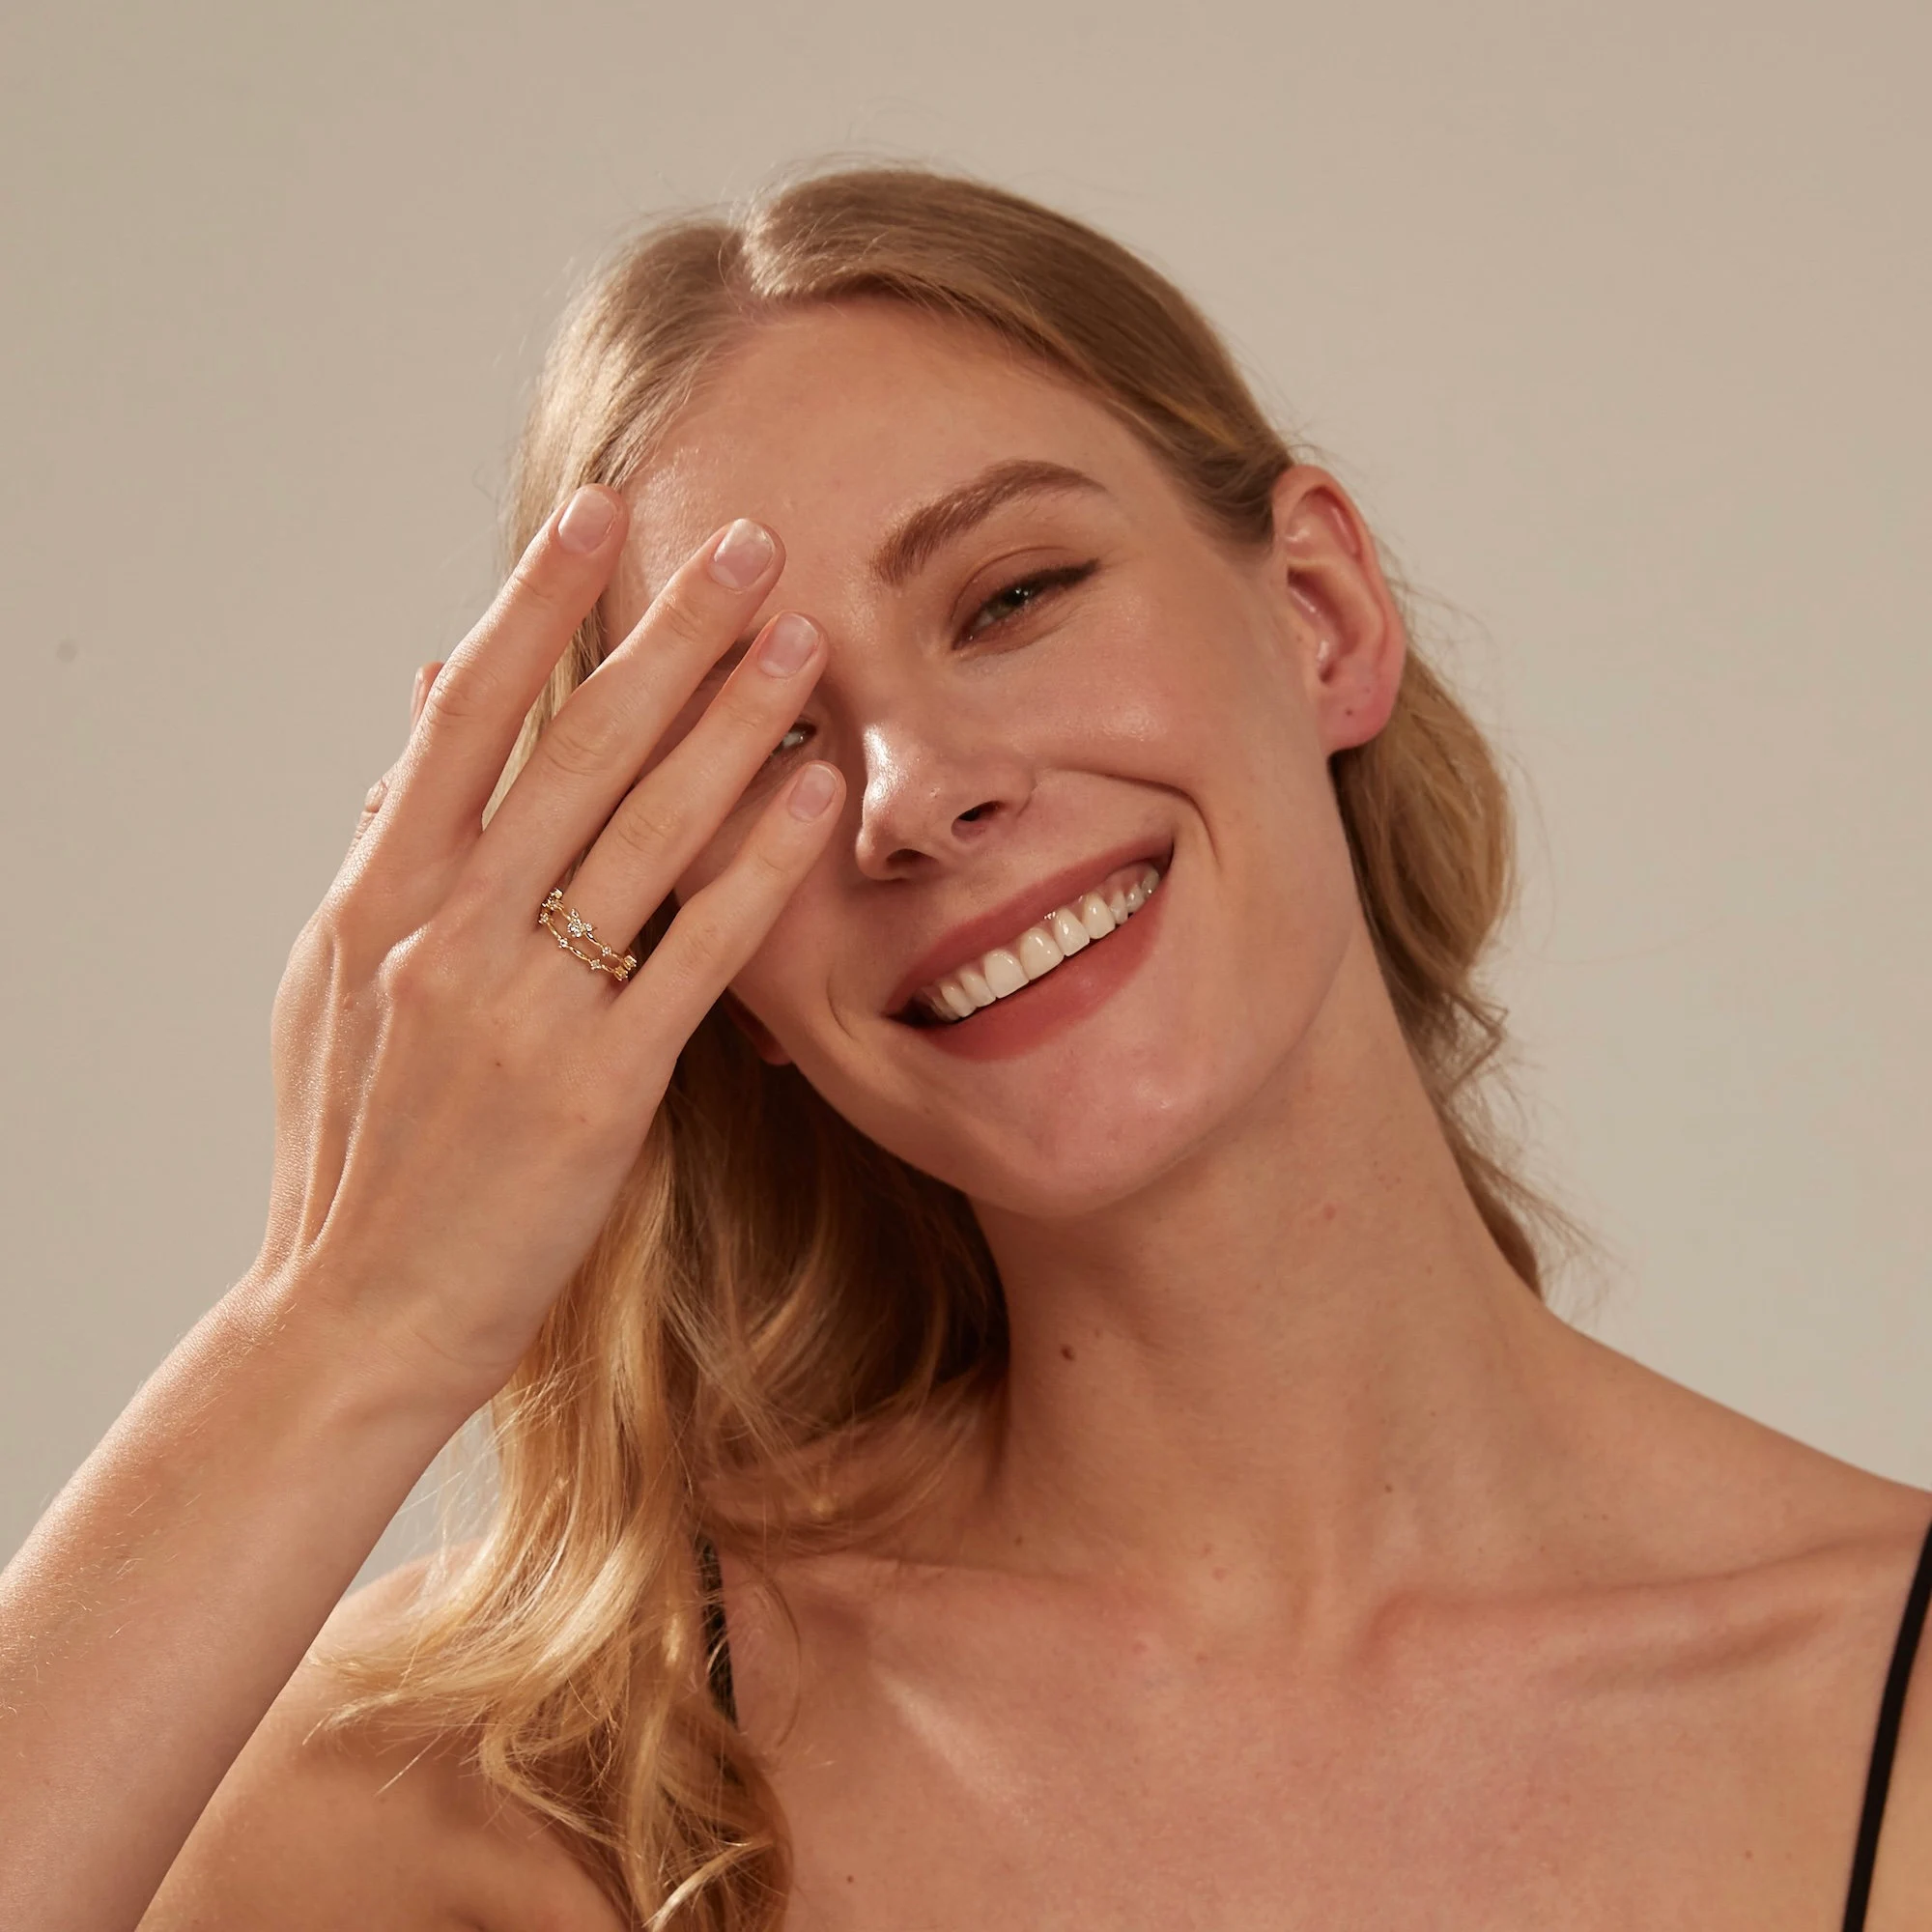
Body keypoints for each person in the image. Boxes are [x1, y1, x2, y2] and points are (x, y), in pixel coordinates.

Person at [2, 163, 1928, 1932]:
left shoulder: (1883, 1713)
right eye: (758, 741)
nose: (910, 793)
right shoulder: (525, 1774)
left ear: (1323, 615)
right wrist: (341, 1318)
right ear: (702, 954)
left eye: (1012, 597)